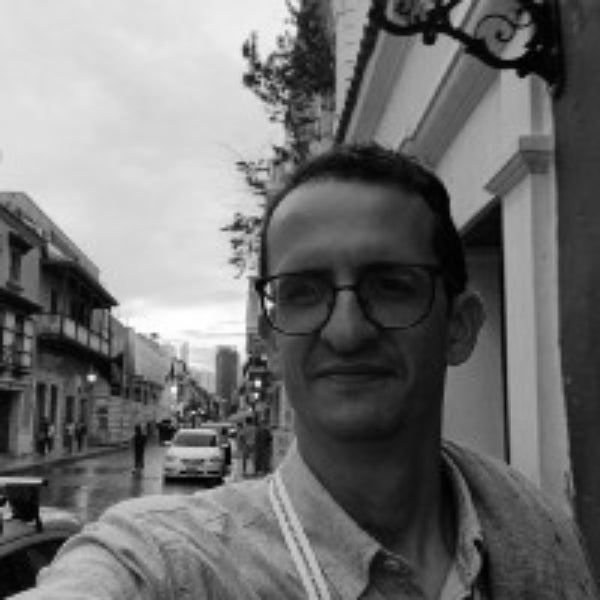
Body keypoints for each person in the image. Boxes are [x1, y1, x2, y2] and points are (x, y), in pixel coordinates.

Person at [14, 144, 597, 599]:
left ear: (459, 327)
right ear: (271, 336)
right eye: (303, 292)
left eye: (391, 286)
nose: (346, 331)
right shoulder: (171, 561)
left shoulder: (536, 526)